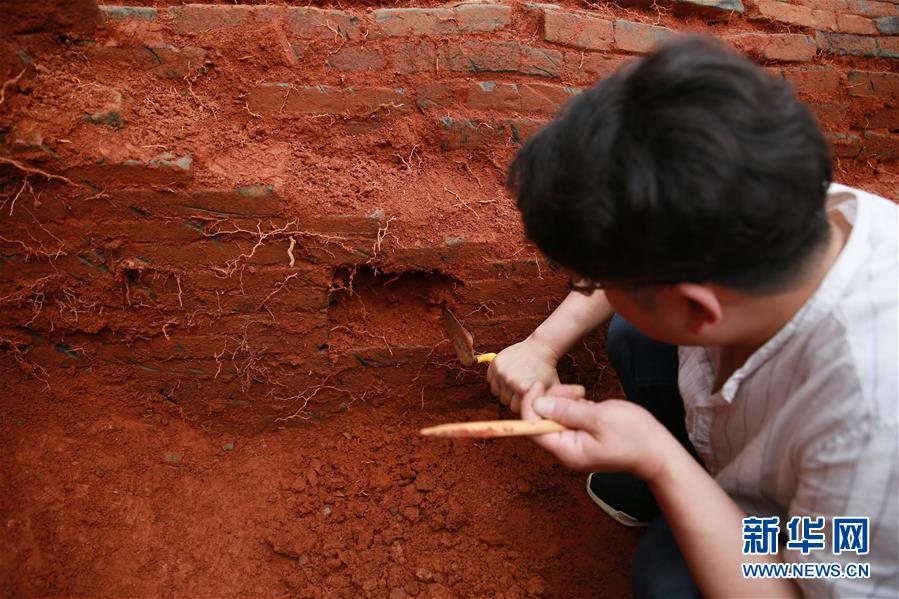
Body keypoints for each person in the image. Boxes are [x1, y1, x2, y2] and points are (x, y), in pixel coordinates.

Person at [488, 36, 898, 598]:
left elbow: (819, 584)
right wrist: (541, 345)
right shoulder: (771, 196)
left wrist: (661, 462)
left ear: (698, 307)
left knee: (669, 576)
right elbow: (639, 242)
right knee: (637, 330)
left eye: (596, 282)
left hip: (826, 538)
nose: (594, 289)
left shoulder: (872, 420)